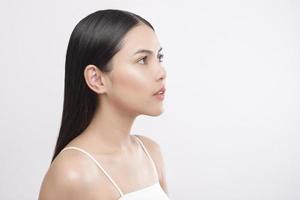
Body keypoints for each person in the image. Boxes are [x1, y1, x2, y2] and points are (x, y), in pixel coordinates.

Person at [38, 9, 169, 200]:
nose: (161, 72)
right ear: (97, 79)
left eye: (159, 57)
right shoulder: (72, 173)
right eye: (142, 60)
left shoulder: (151, 154)